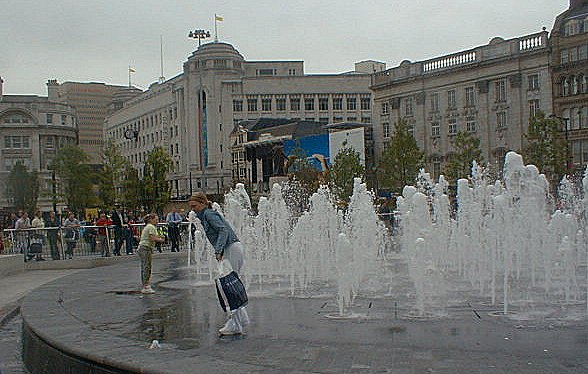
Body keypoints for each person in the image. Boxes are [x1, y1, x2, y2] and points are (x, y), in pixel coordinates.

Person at [189, 192, 250, 335]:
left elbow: (222, 230)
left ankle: (236, 323)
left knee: (229, 286)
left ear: (203, 203)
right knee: (231, 285)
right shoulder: (206, 215)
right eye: (191, 206)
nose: (192, 209)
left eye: (194, 206)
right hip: (231, 248)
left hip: (231, 248)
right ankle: (240, 319)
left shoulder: (209, 214)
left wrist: (218, 250)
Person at [137, 213, 164, 294]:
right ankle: (146, 286)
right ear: (150, 220)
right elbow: (152, 238)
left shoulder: (148, 227)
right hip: (145, 248)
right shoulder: (151, 227)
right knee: (147, 267)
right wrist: (161, 239)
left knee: (145, 266)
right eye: (156, 219)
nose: (157, 221)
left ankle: (145, 284)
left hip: (143, 248)